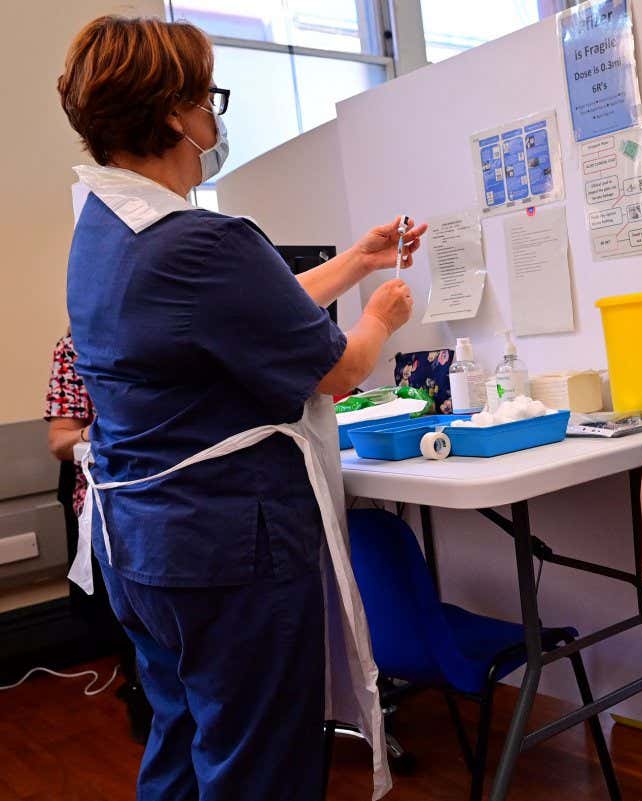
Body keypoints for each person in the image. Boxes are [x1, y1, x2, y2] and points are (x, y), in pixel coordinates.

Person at [57, 16, 427, 800]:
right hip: (227, 551)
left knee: (184, 742)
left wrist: (353, 262)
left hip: (147, 551)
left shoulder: (106, 229)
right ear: (172, 115)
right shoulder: (202, 241)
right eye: (207, 99)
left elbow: (239, 315)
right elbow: (335, 371)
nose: (213, 119)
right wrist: (381, 313)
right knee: (261, 763)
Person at [45, 331, 153, 743]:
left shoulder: (181, 325)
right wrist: (105, 431)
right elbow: (60, 443)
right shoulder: (76, 346)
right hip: (116, 507)